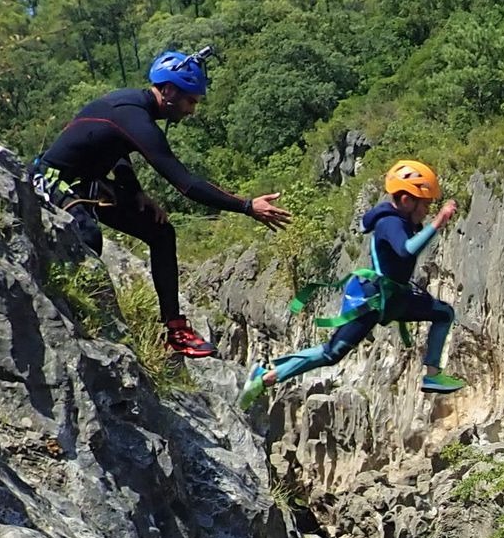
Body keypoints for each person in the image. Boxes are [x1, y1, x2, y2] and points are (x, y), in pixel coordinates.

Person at [31, 49, 290, 357]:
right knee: (88, 236)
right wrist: (247, 206)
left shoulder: (132, 109)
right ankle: (73, 320)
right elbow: (187, 184)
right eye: (190, 100)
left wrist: (135, 192)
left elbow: (115, 147)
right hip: (47, 178)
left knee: (161, 231)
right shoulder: (132, 114)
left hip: (87, 182)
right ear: (168, 90)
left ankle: (176, 329)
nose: (192, 110)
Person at [240, 159, 463, 405]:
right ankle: (266, 377)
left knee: (444, 313)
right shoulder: (389, 222)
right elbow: (405, 250)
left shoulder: (404, 220)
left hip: (395, 298)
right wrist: (438, 222)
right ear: (407, 201)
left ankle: (432, 375)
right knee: (332, 353)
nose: (428, 211)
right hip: (373, 299)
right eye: (425, 204)